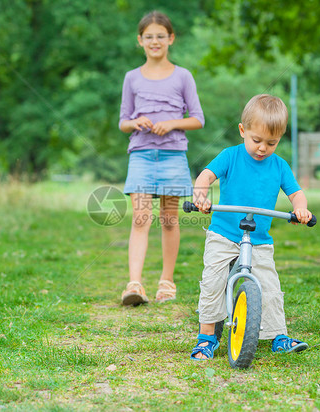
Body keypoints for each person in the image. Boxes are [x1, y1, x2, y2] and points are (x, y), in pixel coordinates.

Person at [190, 94, 312, 359]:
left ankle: (278, 335)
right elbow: (205, 176)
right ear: (243, 131)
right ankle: (206, 337)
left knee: (269, 285)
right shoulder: (230, 156)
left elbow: (296, 194)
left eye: (272, 142)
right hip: (224, 234)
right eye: (256, 140)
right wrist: (200, 194)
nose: (262, 148)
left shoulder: (279, 165)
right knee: (212, 281)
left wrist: (300, 208)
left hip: (259, 239)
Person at [119, 11, 205, 306]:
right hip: (141, 155)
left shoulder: (183, 76)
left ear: (171, 38)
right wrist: (136, 122)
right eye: (148, 36)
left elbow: (197, 119)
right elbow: (122, 122)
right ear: (139, 41)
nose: (154, 41)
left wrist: (171, 123)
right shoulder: (131, 78)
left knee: (169, 220)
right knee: (141, 219)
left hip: (173, 155)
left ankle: (167, 282)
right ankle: (134, 285)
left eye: (160, 36)